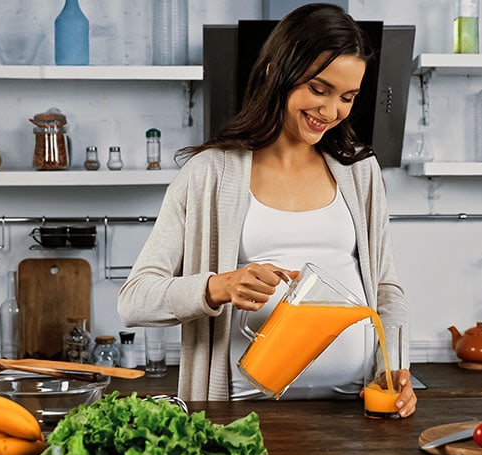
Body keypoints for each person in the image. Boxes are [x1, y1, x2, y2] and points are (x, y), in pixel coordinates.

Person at [118, 3, 415, 417]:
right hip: (243, 415)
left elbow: (386, 290)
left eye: (347, 97)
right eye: (318, 89)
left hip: (354, 415)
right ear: (277, 72)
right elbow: (134, 300)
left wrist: (394, 368)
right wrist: (217, 288)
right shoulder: (210, 174)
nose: (330, 112)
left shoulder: (359, 171)